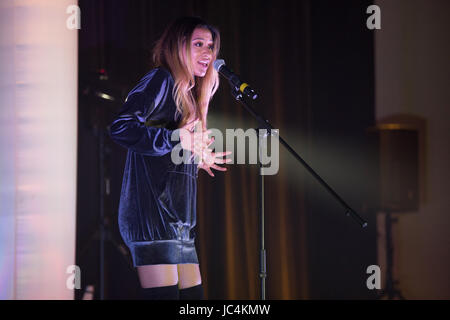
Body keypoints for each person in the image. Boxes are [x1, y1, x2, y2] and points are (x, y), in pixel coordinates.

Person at [109, 16, 230, 300]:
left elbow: (169, 145)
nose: (208, 53)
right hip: (151, 217)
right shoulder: (160, 79)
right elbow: (121, 127)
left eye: (211, 46)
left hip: (179, 222)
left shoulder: (188, 94)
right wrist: (178, 140)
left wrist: (193, 156)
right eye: (198, 44)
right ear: (178, 47)